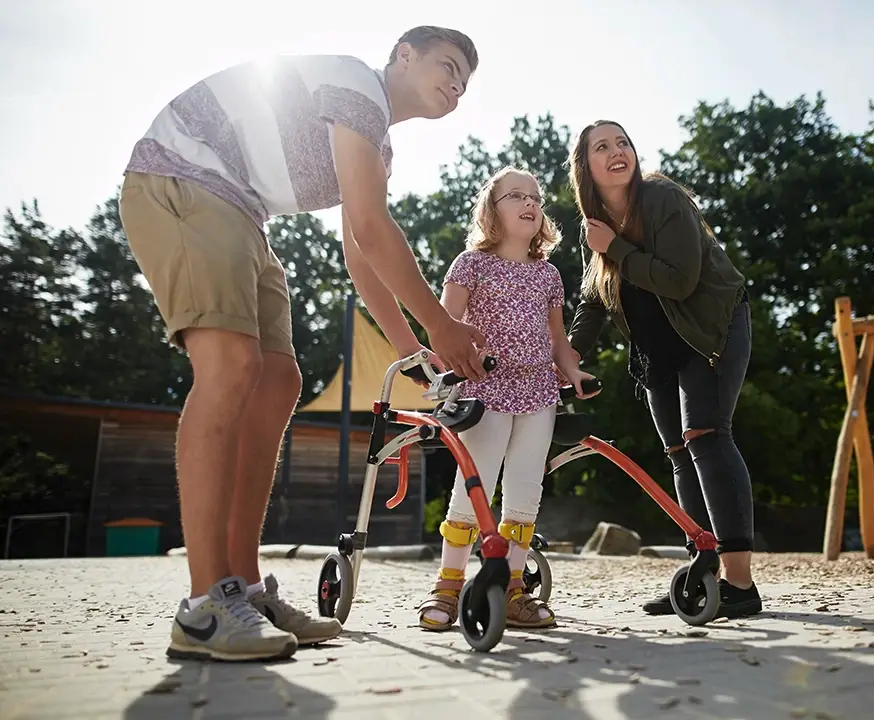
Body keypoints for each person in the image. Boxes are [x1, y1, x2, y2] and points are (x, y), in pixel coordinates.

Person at [117, 26, 489, 662]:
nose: (455, 85)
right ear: (404, 56)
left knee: (278, 380)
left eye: (465, 81)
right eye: (448, 66)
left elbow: (360, 256)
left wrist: (414, 354)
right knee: (231, 364)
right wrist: (441, 327)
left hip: (241, 212)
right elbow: (373, 230)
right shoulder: (356, 86)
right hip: (183, 177)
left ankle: (245, 589)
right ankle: (206, 605)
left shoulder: (379, 146)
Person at [564, 120, 762, 619]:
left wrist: (616, 248)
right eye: (601, 147)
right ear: (584, 166)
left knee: (707, 436)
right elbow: (593, 299)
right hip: (658, 349)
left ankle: (740, 585)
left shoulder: (661, 198)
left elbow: (679, 281)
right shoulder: (596, 224)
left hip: (709, 329)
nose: (616, 152)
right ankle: (703, 573)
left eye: (622, 142)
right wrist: (565, 358)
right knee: (678, 451)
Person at [416, 167, 599, 632]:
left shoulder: (549, 275)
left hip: (539, 392)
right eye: (515, 195)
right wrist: (449, 366)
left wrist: (573, 370)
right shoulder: (470, 264)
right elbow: (444, 326)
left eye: (535, 197)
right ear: (490, 210)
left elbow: (558, 340)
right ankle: (449, 585)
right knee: (473, 487)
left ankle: (513, 589)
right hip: (485, 386)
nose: (530, 203)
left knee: (524, 494)